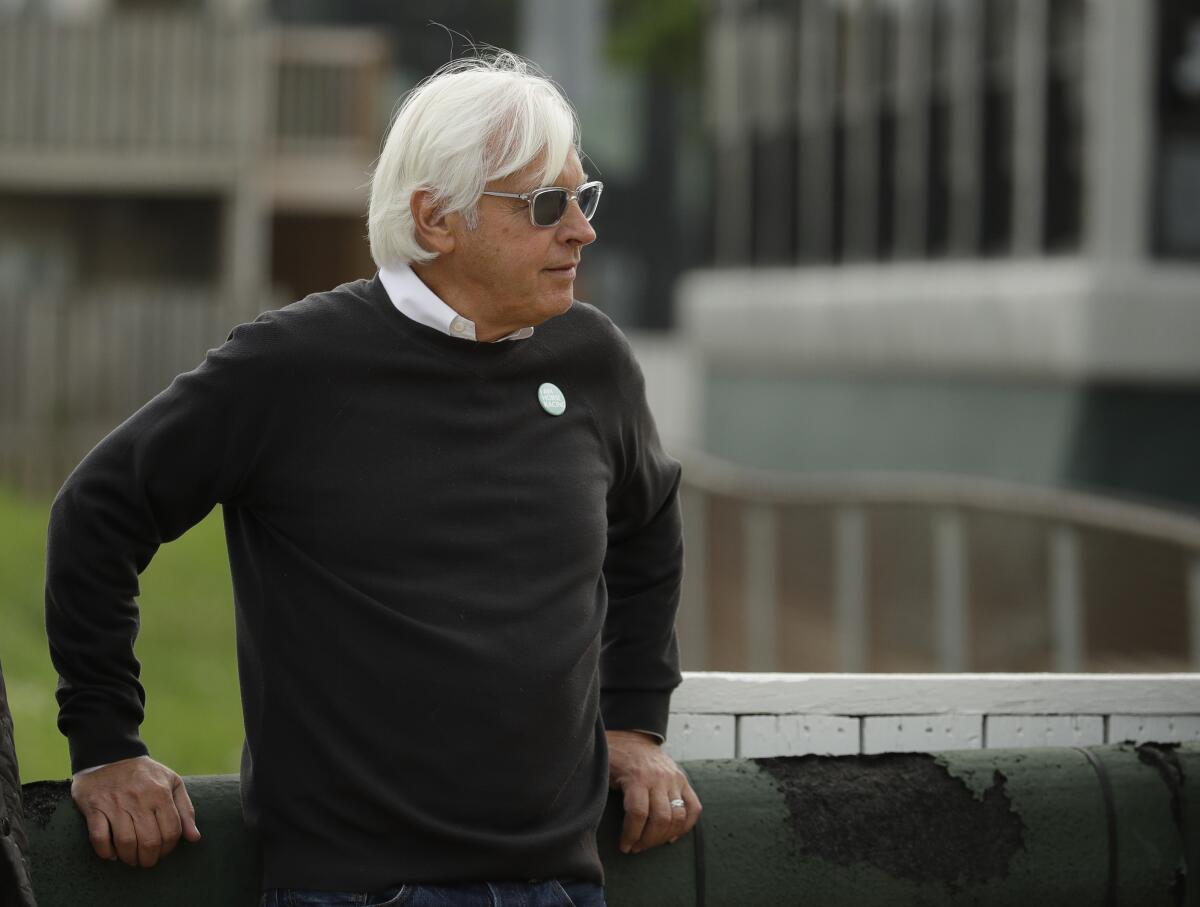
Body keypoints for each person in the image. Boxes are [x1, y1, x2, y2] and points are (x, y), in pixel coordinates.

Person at [44, 50, 700, 907]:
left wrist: (636, 719)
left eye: (584, 196)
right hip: (354, 893)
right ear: (435, 220)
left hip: (561, 887)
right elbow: (97, 512)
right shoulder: (290, 366)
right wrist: (105, 745)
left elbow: (649, 526)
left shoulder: (594, 358)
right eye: (546, 204)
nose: (581, 228)